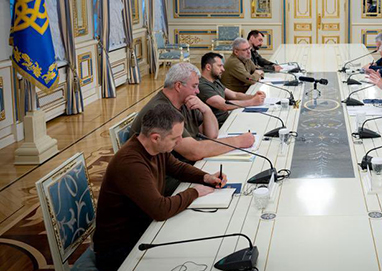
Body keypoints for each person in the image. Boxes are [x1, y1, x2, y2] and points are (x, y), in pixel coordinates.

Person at [94, 104, 227, 271]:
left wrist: (206, 177)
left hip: (145, 229)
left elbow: (178, 168)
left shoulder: (155, 148)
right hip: (121, 249)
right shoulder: (131, 163)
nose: (180, 141)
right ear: (155, 137)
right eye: (175, 138)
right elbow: (160, 210)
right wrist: (194, 192)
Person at [129, 62, 254, 193]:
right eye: (194, 86)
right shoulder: (162, 111)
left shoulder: (186, 101)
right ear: (178, 86)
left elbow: (211, 135)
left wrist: (206, 110)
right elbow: (194, 152)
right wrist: (238, 141)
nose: (197, 91)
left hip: (186, 168)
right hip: (166, 180)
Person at [199, 52, 266, 126]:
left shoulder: (215, 81)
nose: (223, 69)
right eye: (220, 66)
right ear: (208, 67)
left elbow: (235, 95)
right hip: (218, 126)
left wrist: (253, 96)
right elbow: (224, 105)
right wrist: (252, 102)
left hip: (227, 120)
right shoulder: (202, 85)